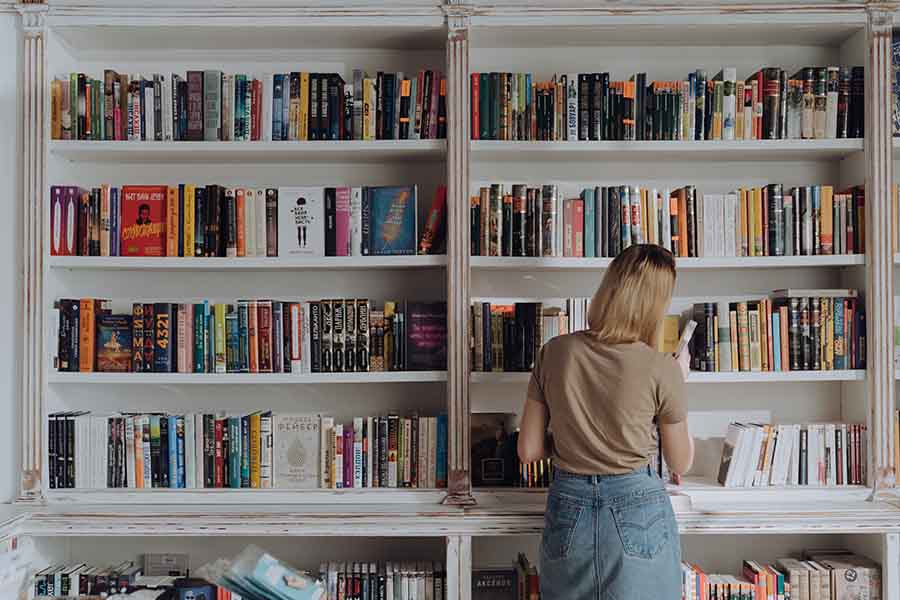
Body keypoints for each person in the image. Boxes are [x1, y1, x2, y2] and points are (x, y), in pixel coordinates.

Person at [518, 243, 693, 600]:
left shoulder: (554, 351)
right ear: (655, 305)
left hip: (569, 504)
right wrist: (679, 380)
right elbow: (681, 462)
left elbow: (529, 450)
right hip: (638, 503)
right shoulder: (662, 368)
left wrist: (572, 438)